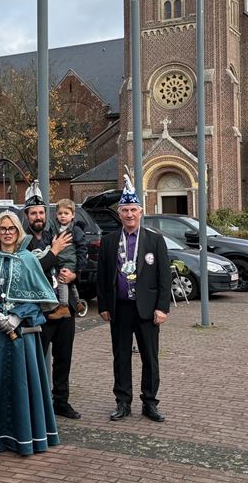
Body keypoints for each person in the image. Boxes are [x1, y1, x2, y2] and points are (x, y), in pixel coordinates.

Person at [0, 210, 60, 456]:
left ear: (18, 232)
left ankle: (26, 436)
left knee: (22, 381)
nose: (6, 233)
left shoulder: (28, 260)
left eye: (11, 229)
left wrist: (17, 316)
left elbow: (42, 299)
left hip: (22, 334)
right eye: (2, 229)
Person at [97, 173, 170, 423]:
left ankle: (150, 403)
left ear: (141, 212)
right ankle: (123, 402)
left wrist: (162, 307)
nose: (129, 214)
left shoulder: (155, 240)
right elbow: (102, 276)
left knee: (150, 357)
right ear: (119, 213)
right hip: (119, 308)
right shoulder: (108, 242)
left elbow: (164, 277)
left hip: (148, 309)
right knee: (121, 357)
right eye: (125, 210)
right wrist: (104, 306)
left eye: (133, 210)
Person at [22, 182, 81, 420]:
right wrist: (53, 253)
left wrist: (75, 274)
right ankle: (37, 402)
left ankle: (61, 401)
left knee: (63, 357)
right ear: (26, 215)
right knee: (36, 359)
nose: (38, 216)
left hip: (64, 306)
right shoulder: (23, 242)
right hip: (40, 312)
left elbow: (77, 257)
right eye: (34, 213)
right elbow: (30, 272)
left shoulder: (56, 234)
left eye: (41, 212)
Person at [47, 198, 88, 320]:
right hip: (60, 260)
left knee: (62, 280)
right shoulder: (54, 227)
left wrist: (79, 267)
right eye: (60, 214)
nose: (63, 216)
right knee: (70, 284)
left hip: (69, 261)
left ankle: (63, 306)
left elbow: (82, 247)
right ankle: (77, 303)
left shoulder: (75, 229)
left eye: (66, 213)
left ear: (72, 215)